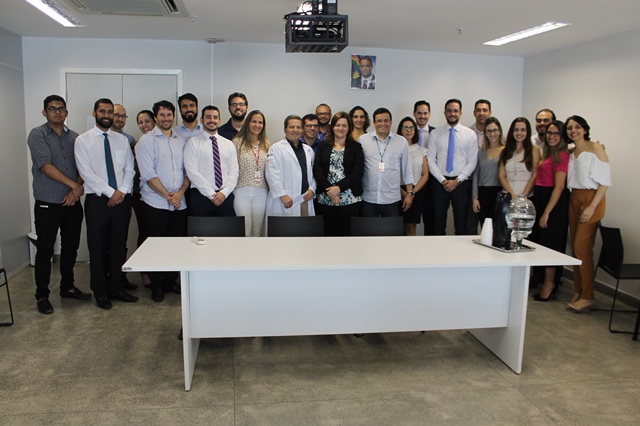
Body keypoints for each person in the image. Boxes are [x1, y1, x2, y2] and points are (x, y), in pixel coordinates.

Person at [27, 95, 90, 314]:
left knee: (71, 247)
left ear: (66, 112)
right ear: (45, 112)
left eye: (61, 108)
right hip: (48, 202)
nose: (57, 112)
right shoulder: (38, 134)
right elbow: (45, 166)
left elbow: (83, 166)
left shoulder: (75, 137)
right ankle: (42, 295)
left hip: (72, 202)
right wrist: (75, 186)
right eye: (52, 109)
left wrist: (75, 190)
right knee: (45, 249)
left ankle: (67, 287)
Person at [74, 98, 137, 309]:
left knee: (118, 246)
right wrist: (112, 193)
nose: (107, 115)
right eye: (103, 111)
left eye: (110, 112)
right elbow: (86, 173)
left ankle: (116, 287)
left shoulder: (121, 140)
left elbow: (129, 169)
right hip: (97, 201)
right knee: (98, 248)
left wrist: (121, 192)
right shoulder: (83, 141)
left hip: (121, 200)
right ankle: (100, 291)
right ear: (95, 113)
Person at [135, 100, 190, 302]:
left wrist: (180, 193)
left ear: (173, 116)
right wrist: (168, 196)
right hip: (155, 203)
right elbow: (148, 174)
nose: (166, 118)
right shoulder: (146, 141)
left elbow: (188, 171)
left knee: (174, 245)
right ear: (156, 117)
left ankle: (169, 281)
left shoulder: (181, 140)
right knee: (156, 246)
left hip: (179, 203)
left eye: (169, 115)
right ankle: (156, 285)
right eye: (162, 115)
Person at [565, 115, 611, 312]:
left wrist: (592, 206)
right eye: (569, 128)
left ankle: (588, 296)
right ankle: (578, 290)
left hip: (591, 199)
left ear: (584, 129)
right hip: (574, 198)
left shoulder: (596, 148)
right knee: (576, 250)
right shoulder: (571, 151)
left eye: (577, 127)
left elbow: (605, 182)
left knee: (582, 248)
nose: (573, 130)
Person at [530, 120, 570, 302]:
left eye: (556, 133)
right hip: (541, 197)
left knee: (550, 245)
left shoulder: (561, 155)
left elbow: (559, 187)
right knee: (541, 241)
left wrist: (546, 212)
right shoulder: (548, 153)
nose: (551, 136)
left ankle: (550, 285)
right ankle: (543, 280)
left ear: (562, 136)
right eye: (549, 133)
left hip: (553, 202)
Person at [427, 99, 478, 235]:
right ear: (445, 113)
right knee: (438, 225)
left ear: (461, 113)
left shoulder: (470, 134)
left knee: (461, 225)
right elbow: (430, 160)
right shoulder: (435, 134)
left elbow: (472, 162)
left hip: (461, 183)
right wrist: (443, 180)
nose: (452, 114)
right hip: (439, 183)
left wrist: (457, 181)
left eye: (455, 111)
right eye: (449, 110)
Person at [313, 111, 364, 236]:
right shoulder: (323, 146)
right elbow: (317, 170)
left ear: (349, 128)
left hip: (349, 198)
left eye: (344, 125)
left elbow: (358, 172)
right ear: (332, 127)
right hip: (326, 197)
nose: (340, 128)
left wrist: (339, 188)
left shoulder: (356, 147)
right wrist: (330, 191)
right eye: (337, 125)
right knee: (327, 233)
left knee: (346, 234)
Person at [184, 106, 239, 217]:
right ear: (201, 120)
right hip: (201, 197)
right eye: (208, 117)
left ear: (219, 120)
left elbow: (234, 172)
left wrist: (224, 193)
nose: (212, 120)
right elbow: (192, 172)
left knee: (227, 228)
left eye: (215, 117)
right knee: (200, 228)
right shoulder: (193, 143)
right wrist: (211, 194)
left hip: (225, 197)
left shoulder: (229, 144)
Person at [359, 108, 414, 217]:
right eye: (379, 121)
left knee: (392, 228)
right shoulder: (363, 140)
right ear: (374, 123)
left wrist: (409, 193)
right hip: (368, 198)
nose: (383, 124)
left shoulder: (401, 141)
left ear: (391, 122)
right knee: (367, 228)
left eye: (386, 121)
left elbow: (407, 169)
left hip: (392, 199)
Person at [265, 115, 316, 217]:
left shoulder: (308, 150)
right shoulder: (276, 148)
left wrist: (312, 189)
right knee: (284, 226)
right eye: (292, 127)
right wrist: (282, 194)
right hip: (284, 199)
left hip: (304, 198)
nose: (295, 130)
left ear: (302, 130)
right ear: (285, 129)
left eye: (298, 127)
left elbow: (313, 173)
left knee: (304, 226)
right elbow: (272, 173)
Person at [232, 110, 270, 237]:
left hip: (261, 190)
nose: (257, 125)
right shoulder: (237, 142)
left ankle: (256, 251)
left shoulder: (266, 143)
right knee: (244, 231)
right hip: (242, 190)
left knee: (257, 231)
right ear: (248, 123)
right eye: (254, 121)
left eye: (260, 122)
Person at [133, 110, 155, 289]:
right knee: (145, 232)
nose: (144, 125)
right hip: (141, 195)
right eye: (141, 122)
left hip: (163, 196)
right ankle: (145, 272)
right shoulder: (137, 144)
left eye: (147, 121)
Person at [397, 117, 429, 236]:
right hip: (398, 191)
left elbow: (425, 175)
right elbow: (391, 174)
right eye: (405, 127)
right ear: (400, 130)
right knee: (397, 228)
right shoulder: (395, 150)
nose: (408, 130)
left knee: (411, 228)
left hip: (416, 191)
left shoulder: (422, 150)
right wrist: (404, 193)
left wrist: (412, 193)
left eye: (411, 127)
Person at [472, 117, 505, 228]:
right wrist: (475, 197)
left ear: (499, 131)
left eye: (495, 130)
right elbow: (476, 174)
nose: (492, 134)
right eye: (489, 131)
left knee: (498, 227)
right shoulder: (481, 152)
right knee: (485, 227)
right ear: (485, 133)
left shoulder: (506, 151)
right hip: (483, 192)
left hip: (499, 192)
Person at [499, 117, 540, 200]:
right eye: (516, 130)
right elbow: (501, 175)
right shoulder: (506, 151)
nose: (519, 133)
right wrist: (511, 194)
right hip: (508, 196)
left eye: (523, 130)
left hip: (527, 197)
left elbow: (534, 175)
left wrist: (523, 196)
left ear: (528, 132)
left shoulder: (534, 150)